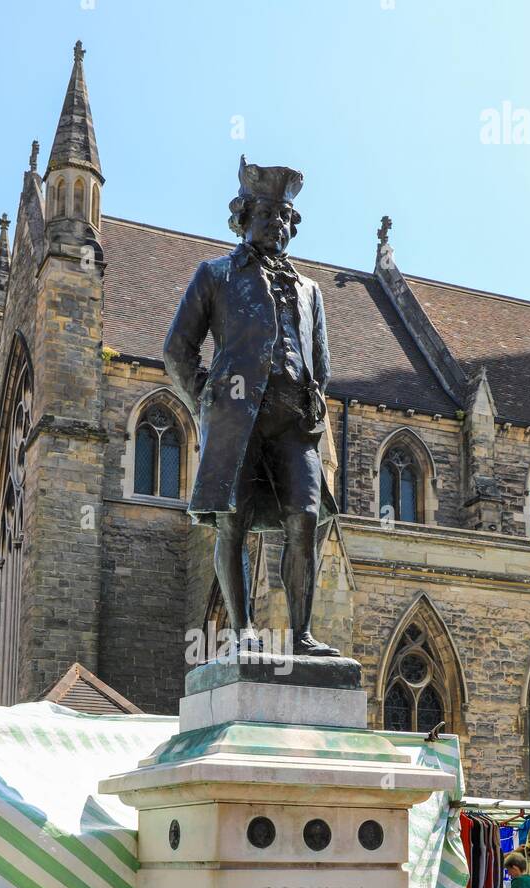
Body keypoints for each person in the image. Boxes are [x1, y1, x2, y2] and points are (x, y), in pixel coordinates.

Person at [163, 156, 341, 657]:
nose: (277, 225)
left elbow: (320, 363)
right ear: (243, 219)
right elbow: (178, 349)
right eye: (266, 215)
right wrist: (205, 396)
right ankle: (241, 630)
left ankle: (301, 637)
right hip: (235, 419)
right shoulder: (215, 275)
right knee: (231, 519)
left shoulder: (310, 291)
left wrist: (314, 398)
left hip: (293, 422)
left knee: (305, 519)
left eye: (284, 218)